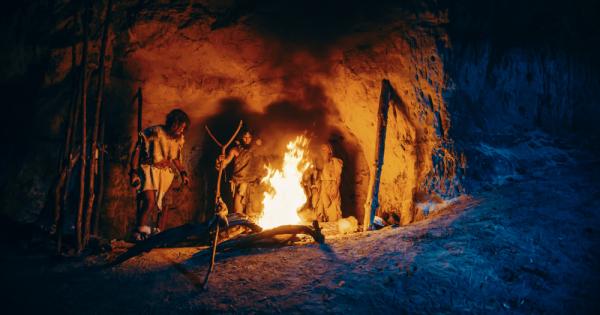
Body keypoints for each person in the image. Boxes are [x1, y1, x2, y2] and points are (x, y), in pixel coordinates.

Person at [129, 109, 190, 241]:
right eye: (181, 127)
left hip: (166, 175)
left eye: (184, 128)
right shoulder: (155, 132)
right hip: (149, 171)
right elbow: (138, 150)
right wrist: (134, 171)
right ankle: (140, 232)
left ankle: (159, 235)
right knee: (149, 202)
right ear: (174, 123)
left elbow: (176, 159)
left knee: (166, 205)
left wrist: (183, 173)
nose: (182, 130)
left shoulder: (178, 139)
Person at [216, 130, 261, 216]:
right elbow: (225, 162)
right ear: (241, 138)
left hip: (253, 185)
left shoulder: (256, 150)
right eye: (244, 137)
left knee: (254, 213)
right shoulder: (235, 150)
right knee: (238, 213)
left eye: (249, 137)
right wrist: (220, 162)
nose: (246, 139)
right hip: (239, 185)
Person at [313, 143, 343, 222]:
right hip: (323, 187)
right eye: (321, 149)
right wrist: (316, 188)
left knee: (334, 208)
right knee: (321, 208)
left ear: (330, 151)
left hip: (332, 185)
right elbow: (317, 179)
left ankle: (334, 224)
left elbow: (338, 176)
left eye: (324, 149)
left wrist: (336, 187)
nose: (322, 151)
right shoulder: (319, 163)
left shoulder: (335, 162)